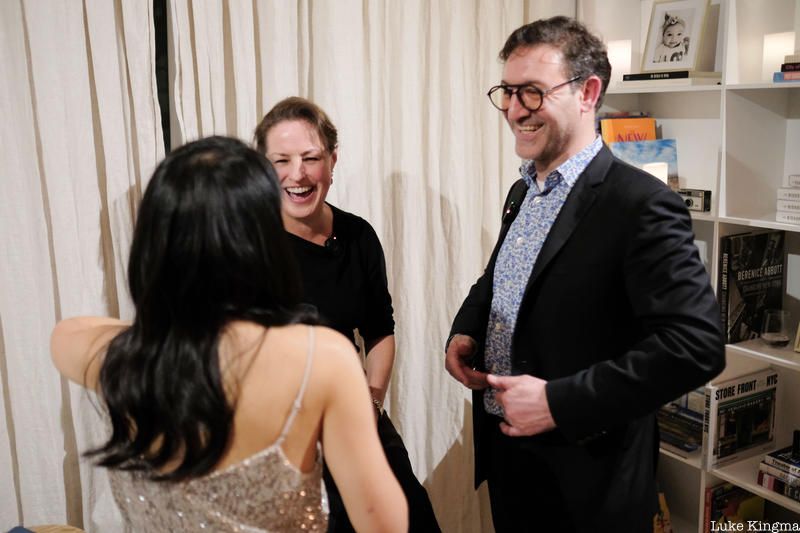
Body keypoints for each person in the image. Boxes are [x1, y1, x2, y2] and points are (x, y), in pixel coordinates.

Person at [445, 16, 724, 532]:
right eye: (507, 92)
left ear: (588, 92)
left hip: (588, 481)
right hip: (514, 462)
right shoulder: (523, 190)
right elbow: (503, 274)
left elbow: (697, 344)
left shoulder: (639, 204)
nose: (513, 110)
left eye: (531, 92)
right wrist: (467, 327)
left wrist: (558, 402)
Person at [50, 136, 407, 533]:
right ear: (262, 243)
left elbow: (68, 333)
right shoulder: (322, 359)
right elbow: (384, 524)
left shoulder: (115, 357)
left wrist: (174, 332)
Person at [254, 97, 440, 533]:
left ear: (332, 160)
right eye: (281, 160)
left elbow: (380, 329)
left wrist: (372, 401)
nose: (297, 174)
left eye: (311, 158)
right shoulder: (246, 246)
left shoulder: (358, 235)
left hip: (356, 421)